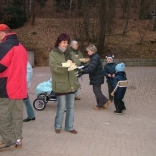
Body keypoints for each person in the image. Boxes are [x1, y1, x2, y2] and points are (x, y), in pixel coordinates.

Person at [0, 24, 28, 150]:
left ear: (2, 33)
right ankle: (18, 140)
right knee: (17, 116)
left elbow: (1, 66)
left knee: (2, 115)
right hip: (20, 88)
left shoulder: (4, 46)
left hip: (8, 88)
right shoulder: (21, 47)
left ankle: (8, 139)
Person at [49, 33, 79, 134]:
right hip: (60, 84)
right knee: (61, 107)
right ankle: (57, 126)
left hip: (70, 83)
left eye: (67, 42)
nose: (66, 44)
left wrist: (73, 61)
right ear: (59, 42)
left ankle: (69, 127)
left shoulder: (70, 52)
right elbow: (54, 68)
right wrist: (65, 65)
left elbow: (77, 63)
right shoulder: (53, 53)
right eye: (64, 42)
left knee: (71, 107)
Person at [78, 44, 111, 110]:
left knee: (96, 91)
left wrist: (83, 71)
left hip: (97, 77)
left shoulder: (95, 58)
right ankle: (102, 103)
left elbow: (91, 68)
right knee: (97, 90)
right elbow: (90, 65)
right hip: (97, 77)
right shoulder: (94, 57)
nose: (88, 53)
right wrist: (84, 67)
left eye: (88, 51)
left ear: (92, 51)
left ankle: (102, 103)